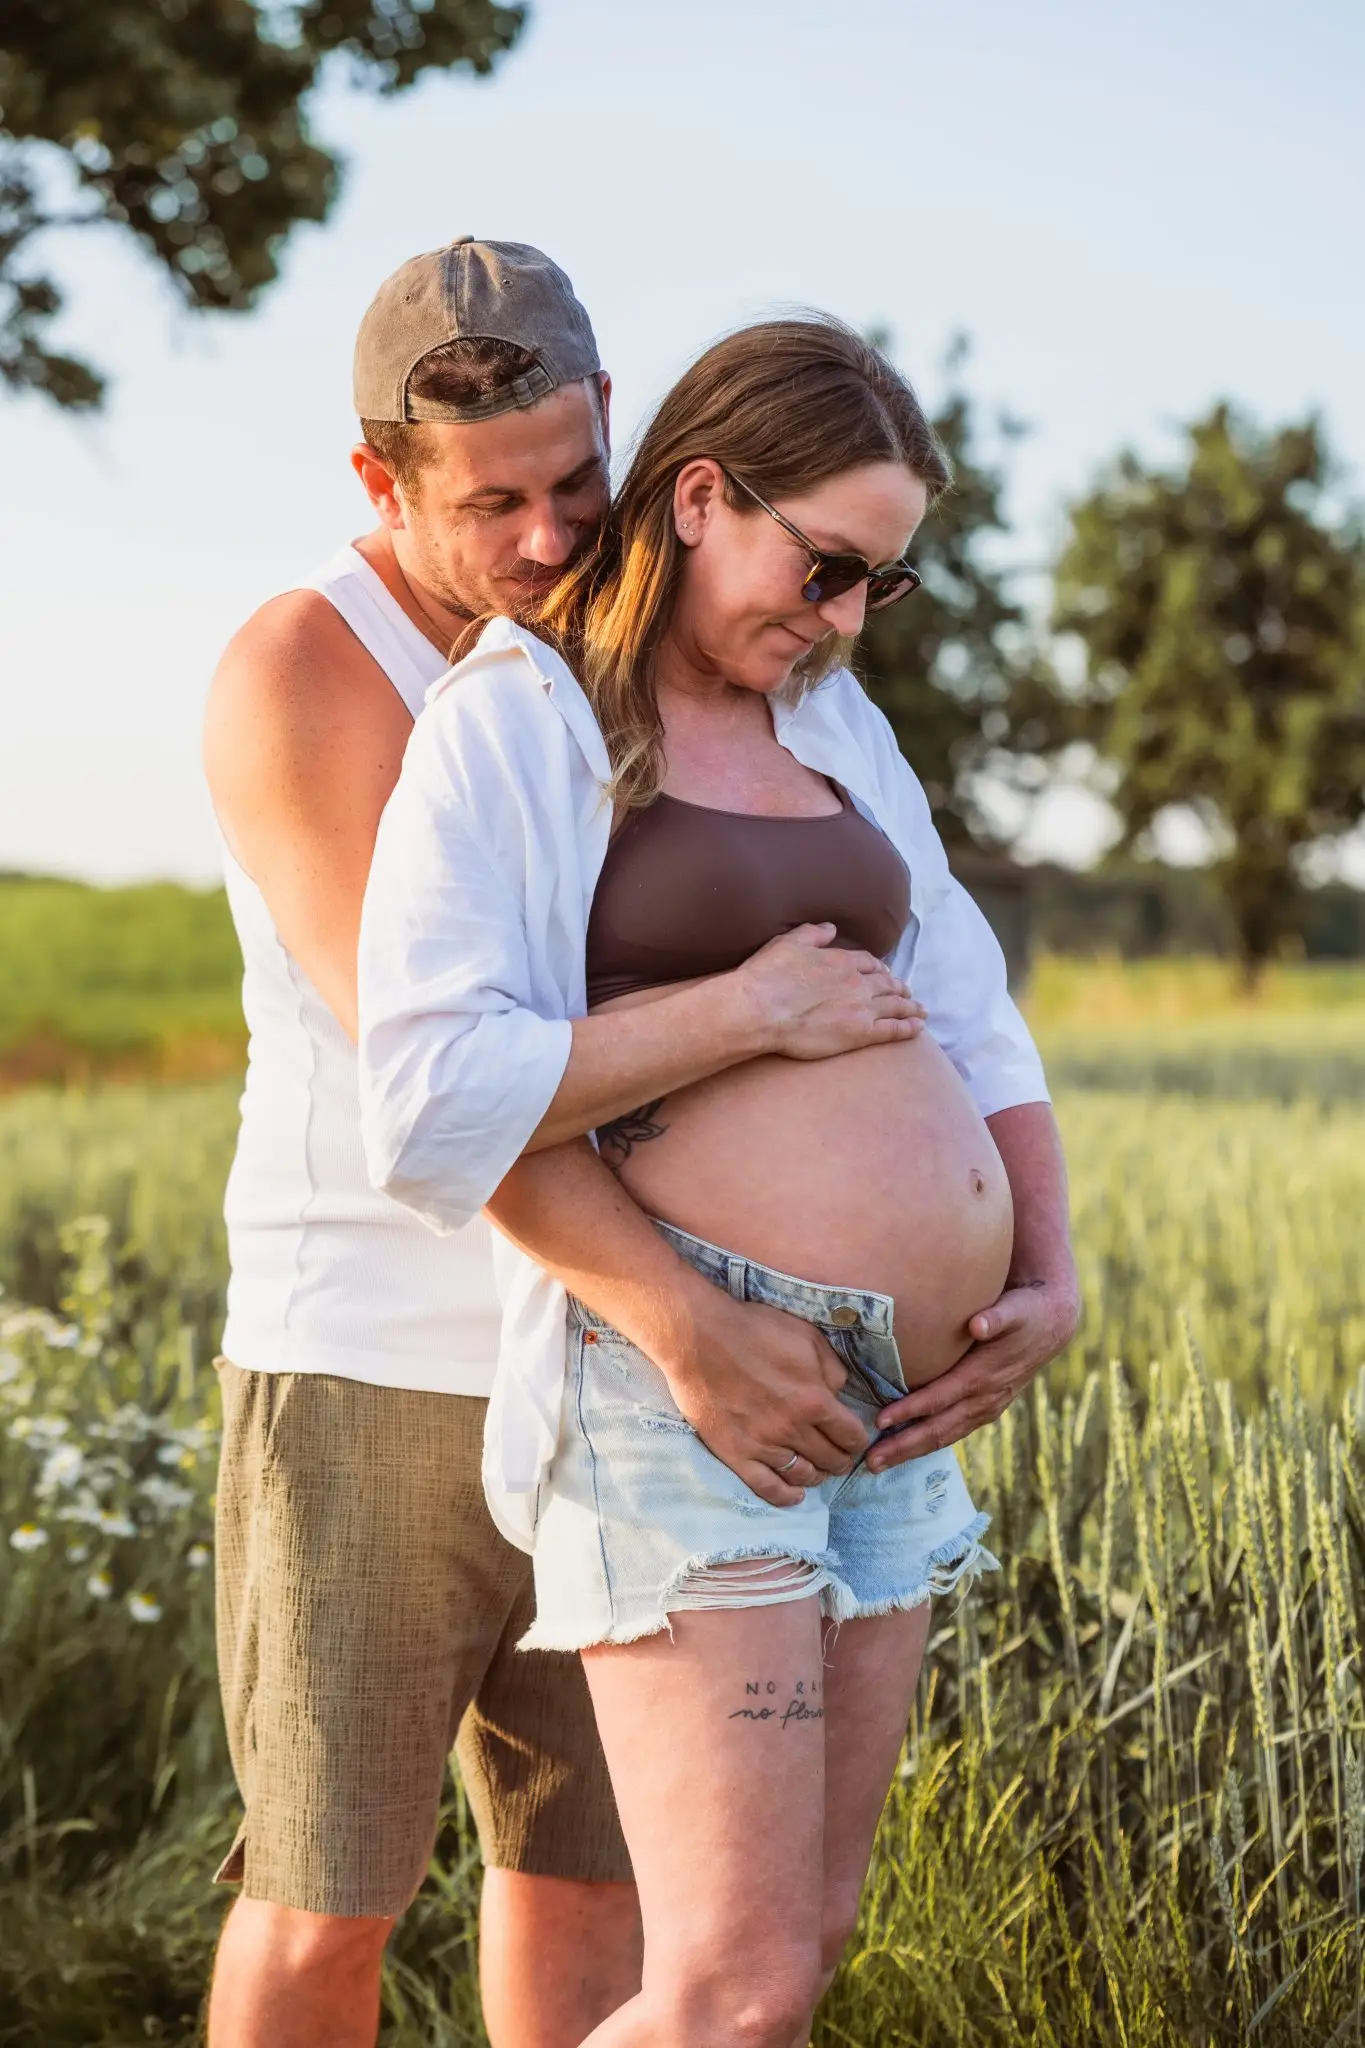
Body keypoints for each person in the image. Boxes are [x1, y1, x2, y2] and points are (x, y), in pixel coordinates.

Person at [201, 242, 924, 2048]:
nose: (545, 540)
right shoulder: (313, 667)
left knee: (591, 1883)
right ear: (381, 481)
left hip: (619, 1380)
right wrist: (693, 1321)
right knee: (325, 1900)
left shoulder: (658, 654)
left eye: (575, 484)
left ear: (624, 428)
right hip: (382, 1358)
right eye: (492, 503)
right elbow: (448, 1079)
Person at [358, 315, 1081, 2046]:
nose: (838, 622)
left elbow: (974, 1018)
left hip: (891, 1404)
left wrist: (1045, 1269)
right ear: (697, 496)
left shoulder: (834, 721)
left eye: (876, 588)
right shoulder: (514, 725)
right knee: (727, 1989)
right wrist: (742, 1015)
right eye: (822, 567)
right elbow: (433, 1096)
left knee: (793, 1963)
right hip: (686, 1395)